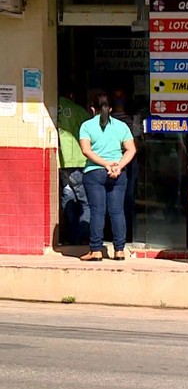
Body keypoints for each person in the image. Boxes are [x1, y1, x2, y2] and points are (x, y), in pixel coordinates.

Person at [78, 93, 136, 261]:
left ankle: (96, 250)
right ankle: (119, 250)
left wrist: (105, 164)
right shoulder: (121, 126)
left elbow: (86, 150)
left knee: (97, 211)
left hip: (94, 173)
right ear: (110, 109)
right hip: (118, 173)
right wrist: (118, 165)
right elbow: (131, 149)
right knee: (117, 211)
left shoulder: (86, 126)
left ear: (92, 108)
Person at [57, 88, 91, 245]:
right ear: (71, 94)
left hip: (61, 163)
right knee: (85, 201)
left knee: (68, 197)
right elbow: (91, 129)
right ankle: (82, 236)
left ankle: (71, 236)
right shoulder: (78, 110)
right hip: (77, 161)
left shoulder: (52, 107)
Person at [110, 88, 141, 242]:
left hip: (111, 162)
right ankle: (127, 234)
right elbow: (138, 143)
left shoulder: (106, 121)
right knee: (127, 198)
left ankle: (117, 234)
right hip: (128, 161)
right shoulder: (131, 121)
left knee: (112, 199)